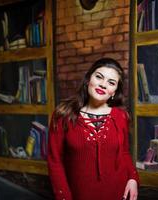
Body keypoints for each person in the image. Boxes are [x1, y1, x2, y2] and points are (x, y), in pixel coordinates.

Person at [47, 57, 139, 200]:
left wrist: (133, 178)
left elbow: (124, 153)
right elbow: (55, 161)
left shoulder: (121, 116)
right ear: (89, 79)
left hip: (117, 193)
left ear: (114, 91)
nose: (103, 85)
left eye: (111, 82)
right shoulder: (63, 115)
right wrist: (64, 197)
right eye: (99, 77)